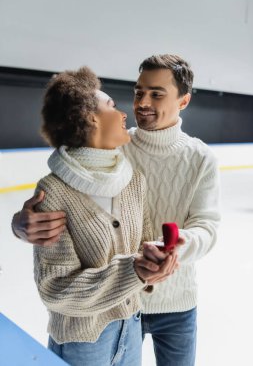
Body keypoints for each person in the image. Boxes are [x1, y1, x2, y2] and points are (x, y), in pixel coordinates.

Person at [12, 54, 220, 366]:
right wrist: (20, 224)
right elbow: (70, 168)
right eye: (139, 92)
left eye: (157, 93)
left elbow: (207, 226)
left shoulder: (200, 158)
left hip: (175, 300)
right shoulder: (113, 147)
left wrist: (175, 246)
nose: (141, 103)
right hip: (110, 307)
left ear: (184, 100)